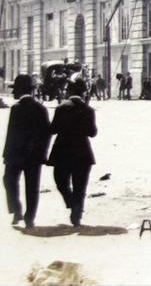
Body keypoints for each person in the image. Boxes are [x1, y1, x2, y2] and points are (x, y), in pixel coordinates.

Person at [3, 74, 51, 228]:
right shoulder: (41, 109)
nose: (13, 93)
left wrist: (7, 155)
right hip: (34, 157)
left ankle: (16, 210)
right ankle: (29, 218)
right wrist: (42, 154)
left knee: (9, 180)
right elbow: (47, 134)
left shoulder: (16, 109)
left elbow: (11, 134)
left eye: (15, 89)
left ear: (21, 90)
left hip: (16, 156)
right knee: (32, 187)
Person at [47, 79, 97, 227]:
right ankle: (77, 214)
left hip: (62, 150)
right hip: (82, 152)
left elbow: (53, 129)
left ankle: (70, 202)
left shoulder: (61, 108)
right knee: (80, 185)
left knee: (60, 180)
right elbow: (92, 133)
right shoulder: (88, 110)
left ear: (69, 91)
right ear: (83, 92)